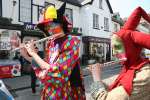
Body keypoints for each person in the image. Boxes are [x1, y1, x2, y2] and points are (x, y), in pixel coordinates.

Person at [20, 2, 85, 100]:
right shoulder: (51, 43)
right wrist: (27, 56)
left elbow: (58, 74)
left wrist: (34, 53)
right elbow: (44, 65)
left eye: (51, 24)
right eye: (47, 27)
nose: (49, 29)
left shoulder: (72, 41)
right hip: (51, 92)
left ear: (61, 23)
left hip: (67, 92)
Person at [88, 6, 150, 100]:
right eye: (112, 48)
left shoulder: (145, 74)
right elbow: (114, 90)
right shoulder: (128, 68)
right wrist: (99, 77)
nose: (114, 53)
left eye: (117, 47)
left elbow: (106, 98)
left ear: (130, 47)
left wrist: (96, 79)